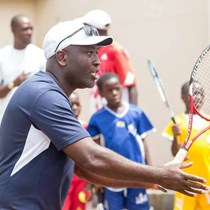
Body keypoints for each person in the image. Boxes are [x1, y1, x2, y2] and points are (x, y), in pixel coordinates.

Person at [0, 20, 207, 210]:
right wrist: (159, 173)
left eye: (97, 53)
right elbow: (91, 157)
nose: (97, 61)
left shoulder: (51, 94)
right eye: (89, 53)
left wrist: (153, 180)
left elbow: (84, 169)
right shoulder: (43, 94)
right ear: (62, 57)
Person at [87, 72, 156, 210]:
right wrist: (95, 179)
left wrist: (151, 173)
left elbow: (143, 144)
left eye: (117, 88)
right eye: (109, 90)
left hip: (137, 173)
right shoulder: (97, 118)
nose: (114, 93)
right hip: (111, 175)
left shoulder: (136, 113)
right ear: (101, 93)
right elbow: (93, 150)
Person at [162, 81, 210, 210]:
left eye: (201, 93)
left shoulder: (208, 121)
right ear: (183, 97)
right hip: (185, 182)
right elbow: (175, 153)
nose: (198, 97)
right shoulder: (178, 122)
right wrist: (175, 136)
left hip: (207, 181)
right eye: (194, 93)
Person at [80, 9, 138, 113]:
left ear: (94, 29)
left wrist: (132, 116)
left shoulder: (116, 51)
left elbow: (131, 86)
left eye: (86, 27)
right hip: (99, 111)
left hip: (116, 114)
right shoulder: (94, 50)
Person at [0, 14, 46, 122]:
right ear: (14, 30)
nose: (29, 32)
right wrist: (14, 83)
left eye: (31, 29)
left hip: (34, 119)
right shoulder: (2, 56)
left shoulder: (40, 55)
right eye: (25, 29)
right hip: (7, 120)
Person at [62, 91, 92, 210]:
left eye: (77, 104)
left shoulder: (87, 128)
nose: (75, 107)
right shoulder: (59, 128)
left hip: (81, 181)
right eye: (71, 104)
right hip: (63, 180)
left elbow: (92, 157)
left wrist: (90, 184)